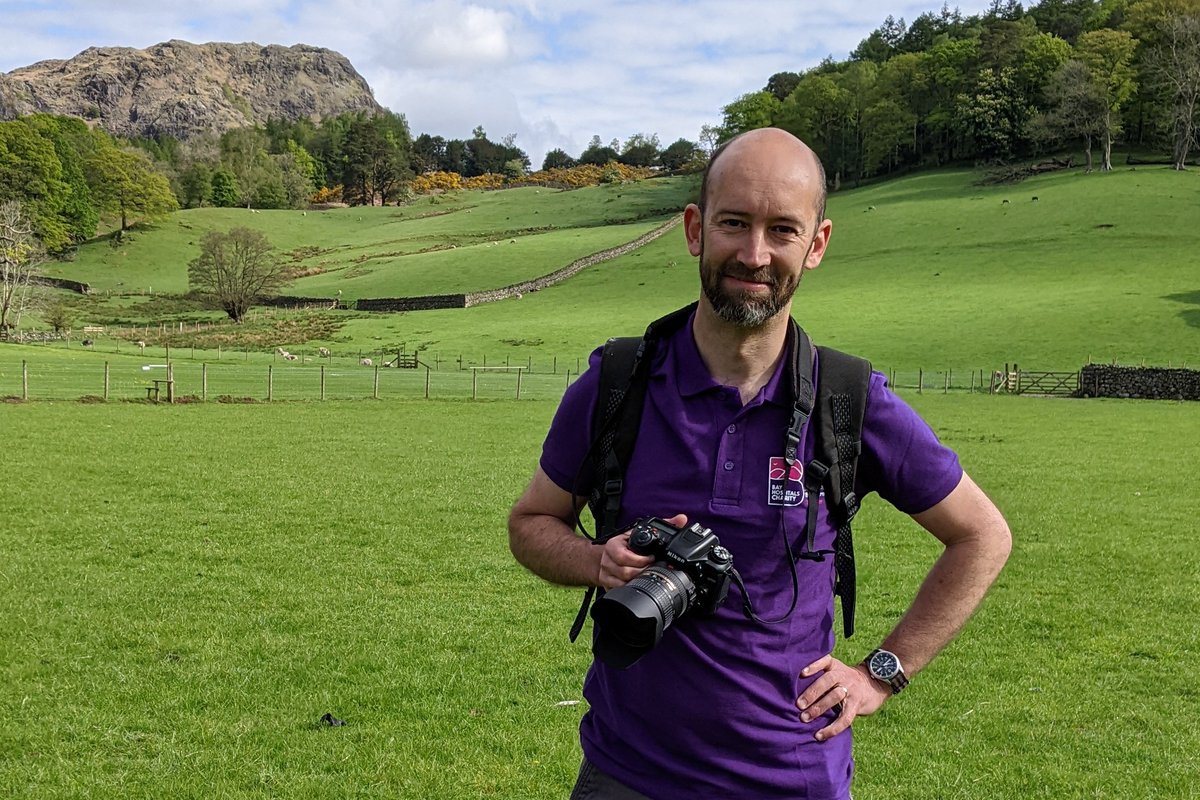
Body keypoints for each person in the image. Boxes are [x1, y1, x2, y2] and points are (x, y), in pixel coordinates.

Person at [508, 127, 1012, 800]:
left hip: (789, 780)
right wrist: (595, 560)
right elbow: (532, 522)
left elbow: (982, 535)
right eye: (734, 223)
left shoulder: (849, 401)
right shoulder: (616, 385)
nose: (755, 254)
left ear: (817, 245)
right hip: (624, 775)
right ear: (694, 230)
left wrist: (883, 671)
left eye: (782, 230)